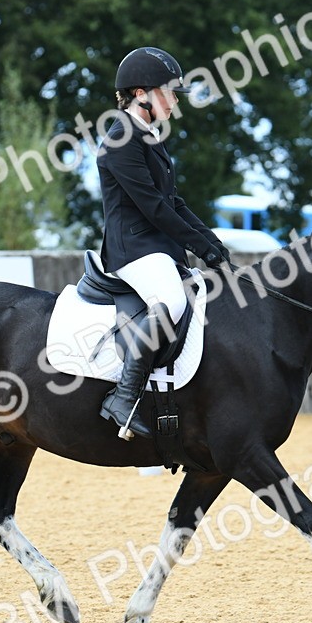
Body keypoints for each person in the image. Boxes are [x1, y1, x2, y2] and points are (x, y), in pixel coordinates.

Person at [96, 46, 231, 441]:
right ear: (142, 94)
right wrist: (199, 247)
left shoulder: (148, 135)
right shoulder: (121, 137)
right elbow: (153, 207)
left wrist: (211, 242)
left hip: (155, 247)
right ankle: (123, 397)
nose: (175, 100)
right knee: (171, 301)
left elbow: (174, 202)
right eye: (169, 92)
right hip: (133, 249)